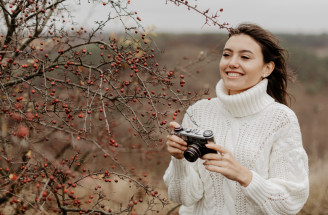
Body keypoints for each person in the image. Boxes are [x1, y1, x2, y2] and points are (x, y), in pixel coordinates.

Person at [163, 23, 309, 215]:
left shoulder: (281, 119)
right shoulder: (198, 112)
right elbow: (183, 197)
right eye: (226, 54)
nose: (232, 62)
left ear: (267, 68)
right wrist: (179, 160)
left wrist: (244, 176)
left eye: (245, 57)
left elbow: (289, 202)